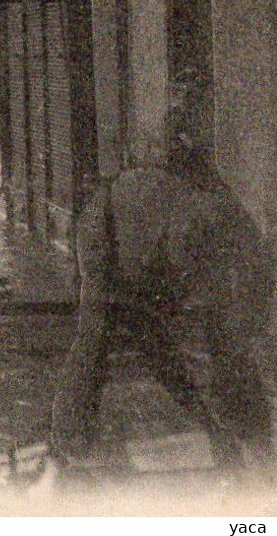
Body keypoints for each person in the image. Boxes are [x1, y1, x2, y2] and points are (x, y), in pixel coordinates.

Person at [48, 103, 273, 473]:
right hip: (105, 234)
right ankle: (65, 452)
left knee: (171, 351)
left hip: (144, 242)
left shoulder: (232, 223)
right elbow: (183, 282)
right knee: (94, 341)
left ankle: (232, 439)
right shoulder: (201, 221)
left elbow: (238, 300)